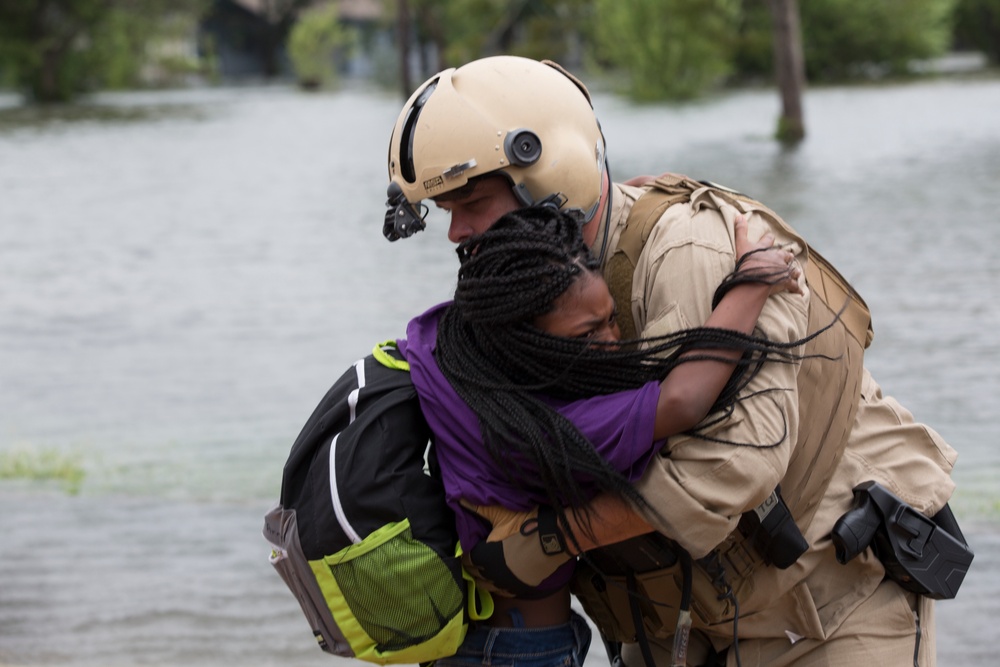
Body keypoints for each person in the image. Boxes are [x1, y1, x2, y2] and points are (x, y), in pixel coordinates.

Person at [382, 55, 962, 666]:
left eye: (471, 203)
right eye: (447, 212)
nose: (457, 234)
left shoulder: (686, 250)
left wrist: (553, 538)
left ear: (551, 169)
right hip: (680, 623)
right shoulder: (520, 290)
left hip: (826, 605)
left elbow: (730, 467)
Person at [398, 205, 804, 667]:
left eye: (610, 317)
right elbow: (682, 401)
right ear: (522, 342)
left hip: (478, 639)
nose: (613, 339)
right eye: (588, 332)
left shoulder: (444, 344)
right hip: (520, 651)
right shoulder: (544, 431)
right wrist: (752, 280)